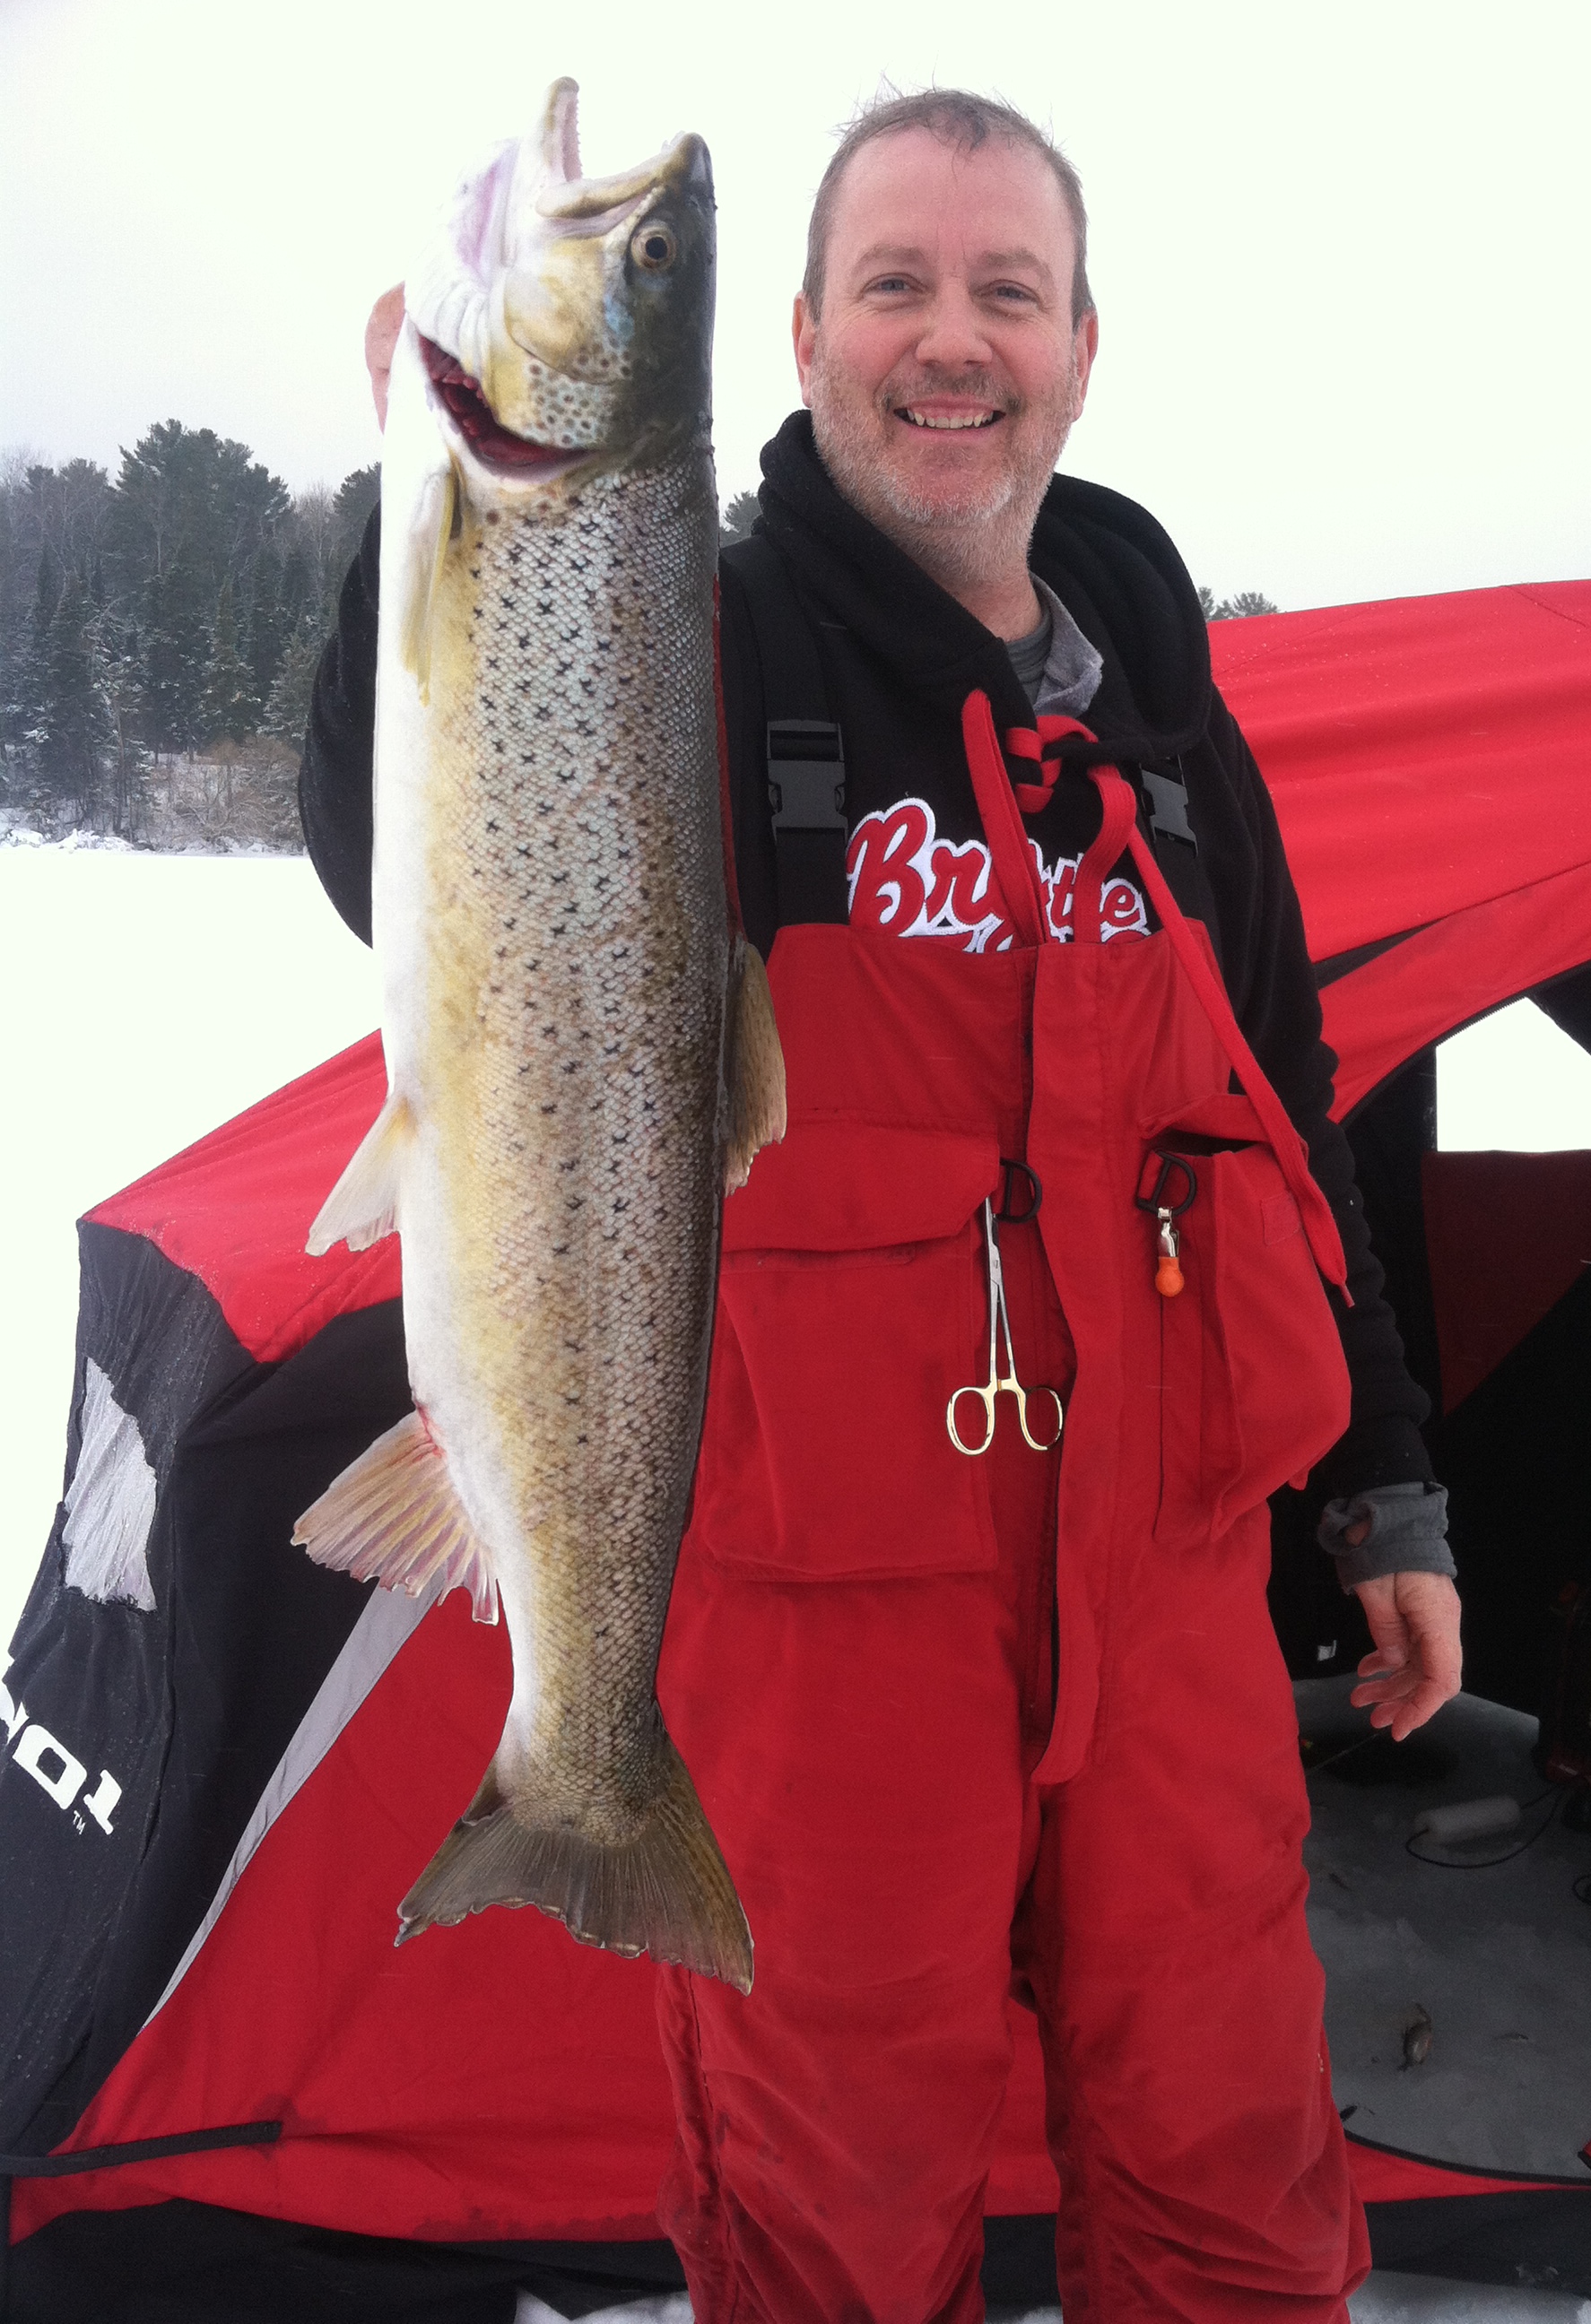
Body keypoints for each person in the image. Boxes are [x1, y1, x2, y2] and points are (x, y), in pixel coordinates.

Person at [302, 89, 1461, 2324]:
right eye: (900, 288)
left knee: (1234, 2182)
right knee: (832, 2223)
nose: (953, 341)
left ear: (1079, 346)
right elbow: (427, 872)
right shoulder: (698, 647)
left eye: (1002, 292)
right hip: (820, 1632)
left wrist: (1388, 1492)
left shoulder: (1168, 735)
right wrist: (423, 526)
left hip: (1177, 1602)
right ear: (810, 331)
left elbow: (1288, 1126)